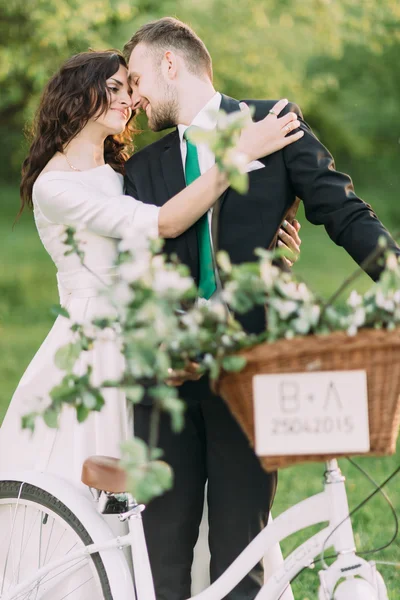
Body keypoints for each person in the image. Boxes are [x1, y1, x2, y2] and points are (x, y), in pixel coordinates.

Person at [122, 16, 400, 600]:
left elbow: (345, 213)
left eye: (139, 77)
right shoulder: (142, 169)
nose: (135, 94)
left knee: (241, 551)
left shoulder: (273, 124)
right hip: (164, 381)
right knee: (161, 553)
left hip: (250, 375)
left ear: (170, 64)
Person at [0, 51, 301, 514]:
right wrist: (238, 155)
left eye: (131, 88)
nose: (130, 99)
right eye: (116, 88)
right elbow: (166, 223)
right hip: (97, 340)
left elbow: (188, 233)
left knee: (179, 484)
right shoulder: (54, 186)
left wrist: (265, 239)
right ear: (78, 95)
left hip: (156, 329)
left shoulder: (128, 172)